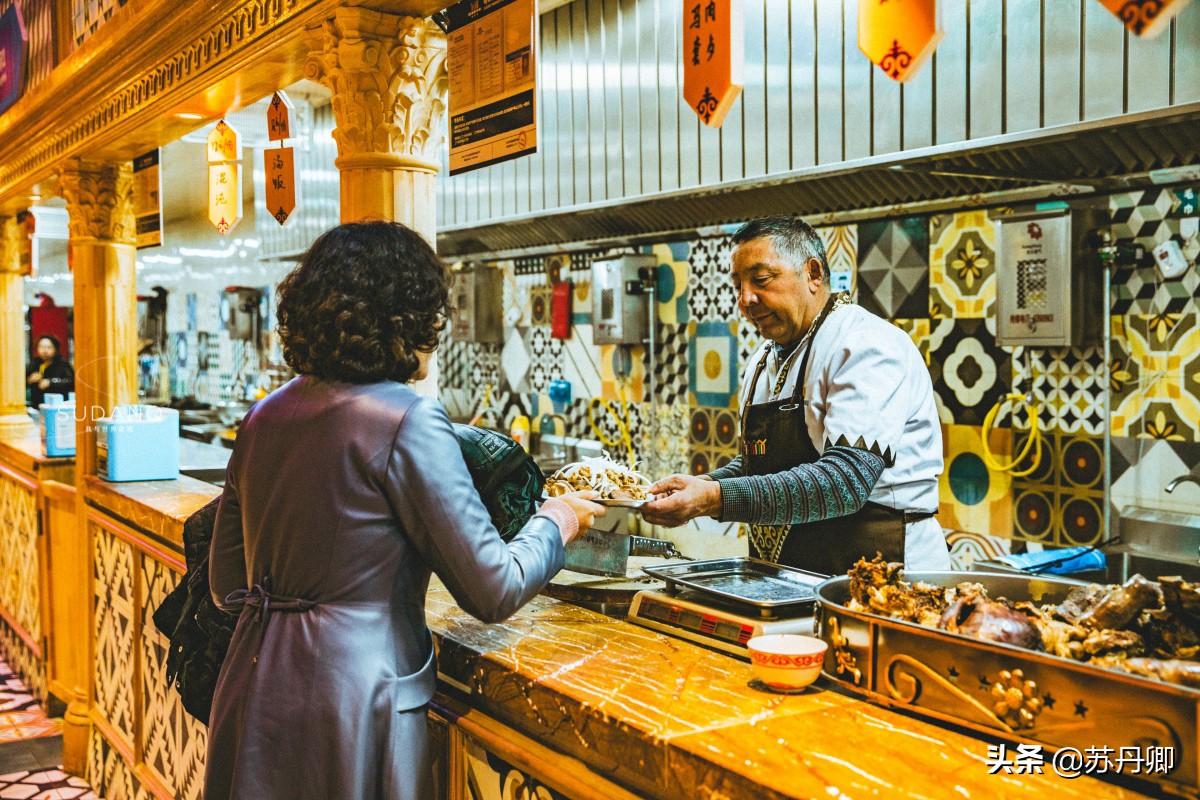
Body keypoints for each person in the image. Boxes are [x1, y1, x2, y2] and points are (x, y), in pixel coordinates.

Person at [205, 221, 605, 800]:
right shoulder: (408, 419)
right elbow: (493, 587)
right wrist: (557, 519)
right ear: (406, 316)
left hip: (253, 677)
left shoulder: (264, 416)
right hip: (357, 695)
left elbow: (227, 585)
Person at [641, 215, 949, 575]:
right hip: (794, 578)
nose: (745, 299)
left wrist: (712, 499)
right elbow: (763, 464)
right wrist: (703, 485)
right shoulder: (763, 359)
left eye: (761, 280)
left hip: (884, 577)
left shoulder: (865, 344)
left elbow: (844, 482)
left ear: (813, 273)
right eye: (738, 285)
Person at [26, 334, 74, 407]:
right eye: (41, 347)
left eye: (49, 347)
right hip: (37, 405)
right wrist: (30, 380)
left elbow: (71, 381)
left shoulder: (62, 364)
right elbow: (22, 383)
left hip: (57, 405)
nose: (45, 351)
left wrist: (50, 382)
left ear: (55, 349)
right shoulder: (34, 364)